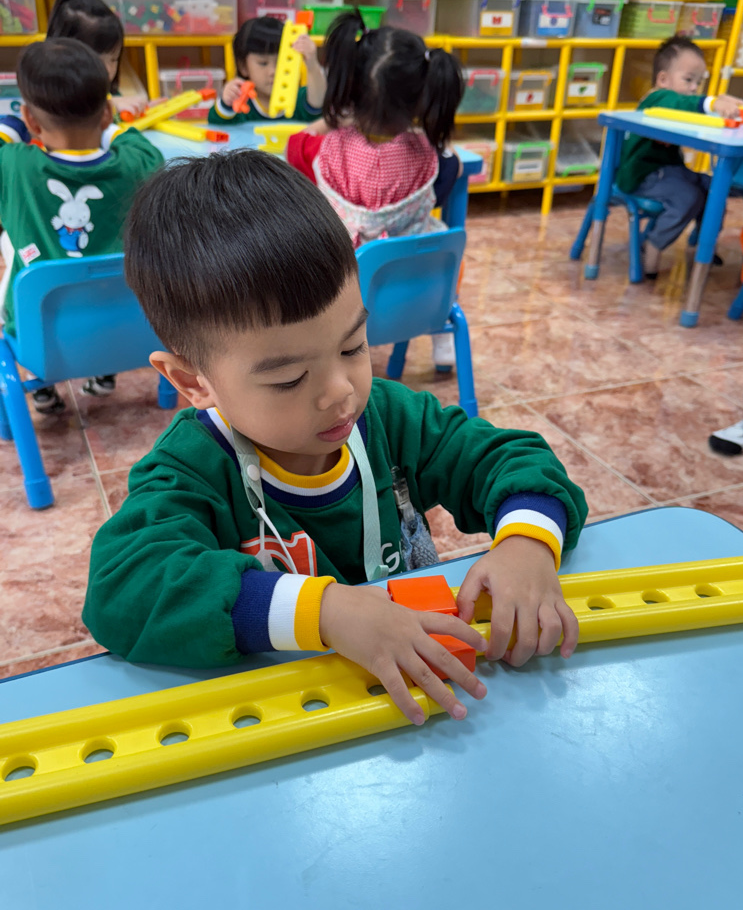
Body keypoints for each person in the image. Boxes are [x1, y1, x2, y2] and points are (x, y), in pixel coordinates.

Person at [82, 150, 589, 727]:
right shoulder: (190, 470)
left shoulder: (391, 418)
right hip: (292, 720)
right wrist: (325, 612)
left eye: (353, 346)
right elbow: (123, 588)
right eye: (288, 379)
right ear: (192, 381)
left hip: (412, 709)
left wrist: (526, 545)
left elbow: (513, 459)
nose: (340, 391)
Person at [286, 10, 464, 370]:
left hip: (343, 302)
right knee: (443, 243)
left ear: (349, 91)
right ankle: (443, 337)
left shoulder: (325, 149)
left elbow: (295, 144)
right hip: (416, 297)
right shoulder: (431, 158)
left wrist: (331, 122)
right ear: (422, 98)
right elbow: (453, 168)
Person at [0, 38, 163, 413]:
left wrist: (12, 126)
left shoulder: (14, 166)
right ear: (106, 113)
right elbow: (139, 144)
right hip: (129, 327)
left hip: (39, 336)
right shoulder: (139, 164)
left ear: (31, 120)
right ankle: (105, 370)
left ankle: (43, 386)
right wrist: (110, 125)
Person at [615, 35, 743, 279]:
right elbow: (679, 102)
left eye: (698, 82)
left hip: (671, 171)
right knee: (688, 197)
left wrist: (723, 106)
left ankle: (702, 244)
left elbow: (689, 107)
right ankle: (653, 245)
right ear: (663, 79)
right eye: (688, 80)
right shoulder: (657, 98)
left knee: (715, 189)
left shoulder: (679, 103)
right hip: (642, 175)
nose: (694, 87)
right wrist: (711, 103)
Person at [46, 0, 148, 122]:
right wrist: (108, 106)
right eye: (97, 60)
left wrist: (138, 110)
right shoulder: (44, 97)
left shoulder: (107, 93)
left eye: (114, 59)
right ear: (61, 54)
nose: (108, 69)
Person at [208, 16, 325, 125]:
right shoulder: (240, 102)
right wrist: (226, 102)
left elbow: (318, 103)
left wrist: (312, 65)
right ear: (243, 67)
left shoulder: (300, 98)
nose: (273, 71)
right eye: (263, 63)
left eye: (281, 62)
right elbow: (215, 122)